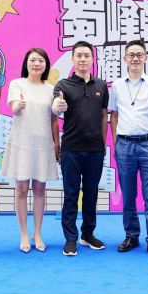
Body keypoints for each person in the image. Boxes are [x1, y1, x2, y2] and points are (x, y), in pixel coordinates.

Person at [109, 40, 148, 260]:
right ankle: (131, 236)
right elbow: (113, 115)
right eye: (131, 55)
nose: (135, 58)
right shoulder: (116, 86)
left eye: (139, 55)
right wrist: (116, 142)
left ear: (145, 58)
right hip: (124, 145)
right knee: (128, 195)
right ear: (125, 58)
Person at [52, 41, 109, 256]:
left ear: (92, 59)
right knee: (71, 194)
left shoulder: (101, 86)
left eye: (87, 55)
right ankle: (70, 238)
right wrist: (58, 106)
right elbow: (55, 108)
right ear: (73, 59)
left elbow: (103, 116)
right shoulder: (63, 85)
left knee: (91, 194)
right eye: (79, 55)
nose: (83, 59)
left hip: (95, 150)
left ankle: (88, 234)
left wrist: (103, 143)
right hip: (71, 150)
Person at [1, 48, 60, 253]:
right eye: (33, 60)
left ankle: (38, 233)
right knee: (21, 189)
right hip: (23, 142)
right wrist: (19, 105)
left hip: (43, 143)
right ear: (26, 63)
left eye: (41, 61)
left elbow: (54, 116)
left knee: (40, 189)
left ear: (46, 65)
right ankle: (24, 234)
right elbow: (14, 107)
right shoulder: (17, 84)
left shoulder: (51, 88)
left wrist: (57, 143)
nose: (37, 64)